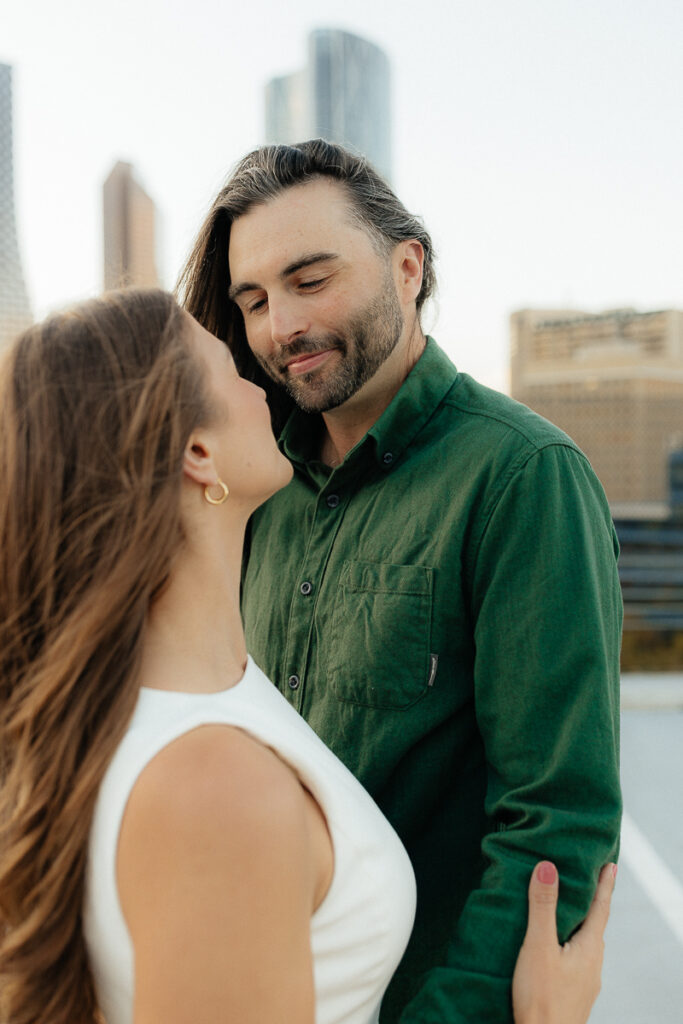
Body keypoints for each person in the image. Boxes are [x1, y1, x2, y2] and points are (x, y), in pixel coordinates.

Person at [0, 289, 615, 1024]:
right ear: (198, 453)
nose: (261, 377)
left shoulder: (168, 700)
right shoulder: (217, 793)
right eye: (230, 365)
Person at [179, 139, 624, 1023]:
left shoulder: (520, 475)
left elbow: (554, 822)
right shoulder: (253, 484)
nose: (279, 328)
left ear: (407, 267)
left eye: (311, 281)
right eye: (255, 299)